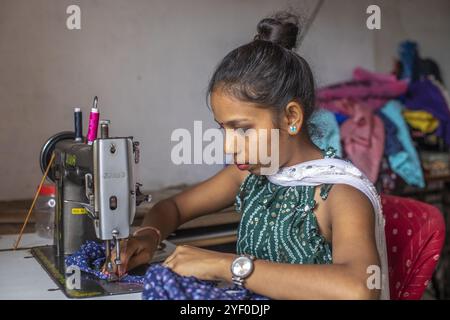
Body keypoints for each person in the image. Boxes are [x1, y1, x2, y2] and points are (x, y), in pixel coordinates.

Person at [110, 12, 388, 300]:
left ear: (291, 117)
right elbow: (174, 209)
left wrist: (226, 265)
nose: (228, 147)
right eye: (223, 129)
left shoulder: (340, 194)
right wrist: (148, 235)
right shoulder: (250, 173)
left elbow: (360, 289)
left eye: (241, 129)